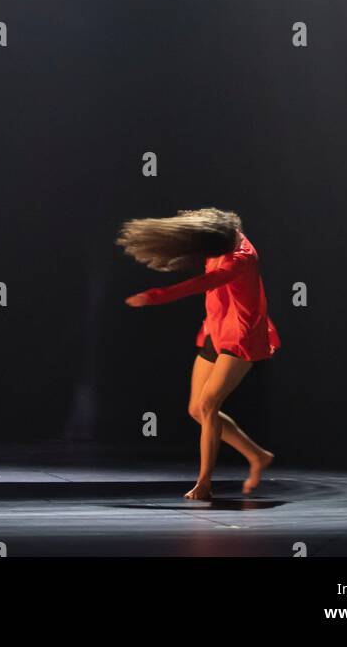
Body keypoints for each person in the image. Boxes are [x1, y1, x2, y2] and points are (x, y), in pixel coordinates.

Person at [118, 207, 280, 500]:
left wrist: (159, 296)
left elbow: (204, 283)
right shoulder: (221, 235)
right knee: (197, 410)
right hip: (216, 330)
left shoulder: (242, 258)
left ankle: (204, 484)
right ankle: (257, 455)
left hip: (242, 336)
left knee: (208, 405)